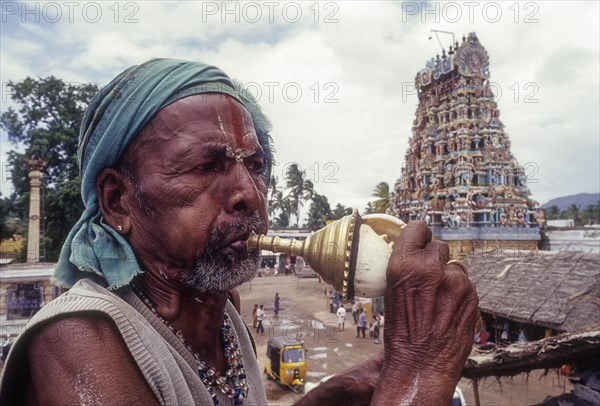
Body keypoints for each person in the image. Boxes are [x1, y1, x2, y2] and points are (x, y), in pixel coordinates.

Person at [0, 58, 479, 406]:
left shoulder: (223, 313)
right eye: (207, 165)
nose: (249, 193)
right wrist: (417, 374)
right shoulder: (78, 342)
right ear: (117, 200)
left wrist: (329, 396)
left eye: (256, 165)